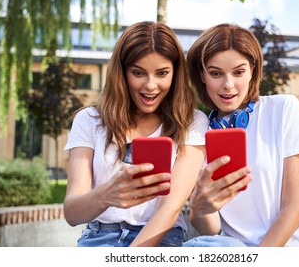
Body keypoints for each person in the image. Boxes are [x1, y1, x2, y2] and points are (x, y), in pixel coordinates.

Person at [184, 23, 299, 247]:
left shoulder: (283, 110)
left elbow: (295, 208)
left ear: (252, 70)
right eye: (216, 73)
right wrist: (199, 208)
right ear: (202, 76)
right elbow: (212, 228)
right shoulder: (199, 132)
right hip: (236, 248)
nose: (228, 85)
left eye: (238, 72)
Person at [63, 21, 208, 247]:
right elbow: (72, 213)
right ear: (122, 72)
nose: (150, 85)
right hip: (99, 238)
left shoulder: (192, 122)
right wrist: (105, 195)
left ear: (175, 73)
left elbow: (170, 209)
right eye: (138, 72)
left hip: (161, 239)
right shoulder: (89, 120)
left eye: (162, 73)